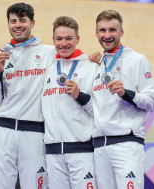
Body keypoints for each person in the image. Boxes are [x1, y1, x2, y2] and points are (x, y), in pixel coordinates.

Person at [0, 2, 56, 189]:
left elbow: (72, 57)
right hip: (4, 129)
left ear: (32, 23)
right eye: (13, 21)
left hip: (34, 131)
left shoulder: (49, 53)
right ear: (8, 24)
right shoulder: (1, 54)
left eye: (23, 20)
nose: (18, 25)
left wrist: (92, 58)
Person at [91, 10, 154, 189]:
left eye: (112, 30)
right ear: (96, 33)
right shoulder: (96, 65)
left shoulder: (137, 60)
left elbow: (152, 102)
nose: (107, 35)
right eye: (102, 30)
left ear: (121, 31)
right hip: (99, 147)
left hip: (126, 144)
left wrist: (126, 94)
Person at [42, 16, 97, 189]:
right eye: (59, 39)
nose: (63, 43)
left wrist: (80, 95)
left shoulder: (92, 67)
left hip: (81, 151)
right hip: (53, 152)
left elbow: (102, 110)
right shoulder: (50, 69)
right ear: (53, 40)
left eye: (68, 38)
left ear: (77, 39)